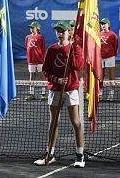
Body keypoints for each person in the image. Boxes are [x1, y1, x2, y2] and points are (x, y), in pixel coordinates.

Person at [34, 21, 85, 168]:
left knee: (76, 122)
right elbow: (45, 70)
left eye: (62, 31)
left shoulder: (75, 48)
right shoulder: (51, 49)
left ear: (69, 32)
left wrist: (73, 49)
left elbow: (78, 66)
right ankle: (50, 154)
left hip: (70, 90)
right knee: (53, 122)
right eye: (58, 31)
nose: (60, 33)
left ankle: (80, 155)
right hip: (55, 90)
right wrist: (56, 79)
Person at [25, 21, 47, 101]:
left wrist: (42, 59)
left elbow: (43, 49)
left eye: (33, 27)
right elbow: (27, 46)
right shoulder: (27, 37)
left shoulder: (40, 37)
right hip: (31, 60)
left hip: (40, 61)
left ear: (37, 28)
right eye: (30, 27)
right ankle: (31, 94)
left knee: (42, 76)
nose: (31, 29)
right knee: (32, 76)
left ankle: (43, 94)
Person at [99, 18, 118, 101]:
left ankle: (111, 94)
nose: (103, 25)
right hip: (100, 58)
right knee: (100, 76)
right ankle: (100, 94)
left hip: (110, 57)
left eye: (104, 24)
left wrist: (112, 54)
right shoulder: (98, 34)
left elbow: (116, 46)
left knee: (111, 76)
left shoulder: (113, 35)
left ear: (108, 25)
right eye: (102, 24)